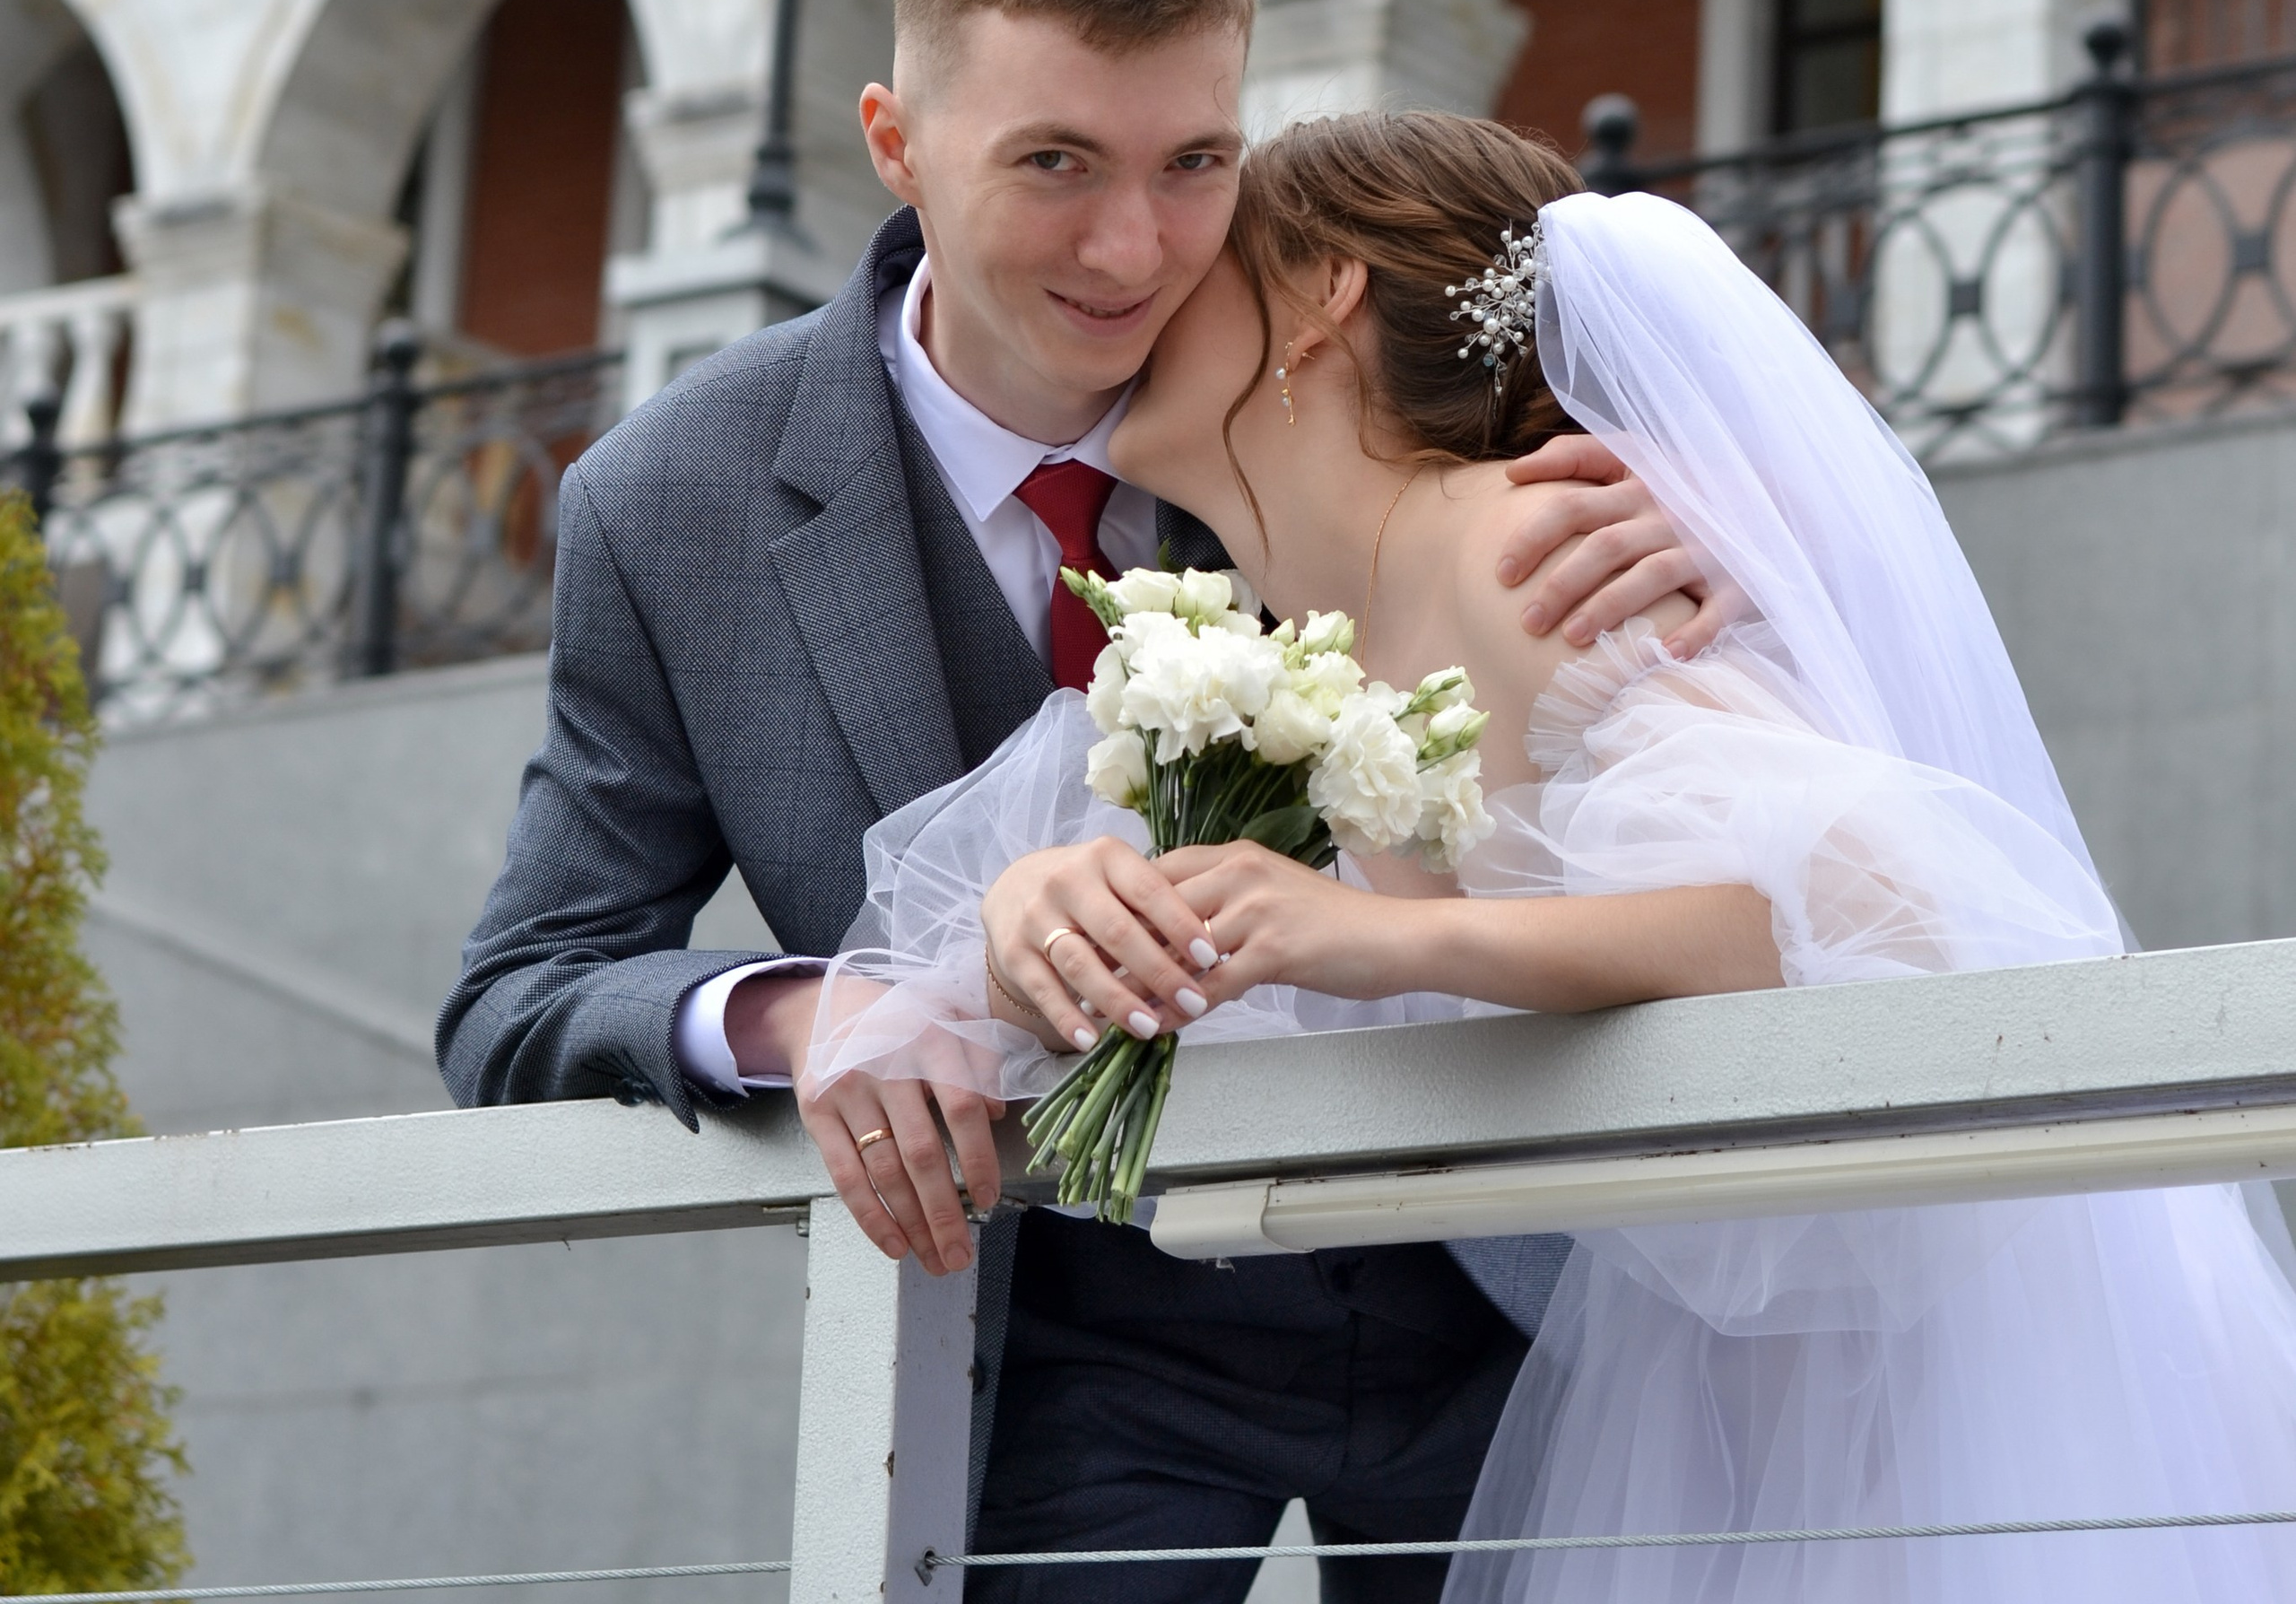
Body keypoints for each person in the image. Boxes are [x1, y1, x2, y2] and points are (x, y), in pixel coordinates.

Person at [439, 0, 1726, 1604]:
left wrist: (1702, 554)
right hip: (1063, 1359)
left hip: (1503, 1295)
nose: (1133, 249)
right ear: (893, 140)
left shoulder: (1327, 345)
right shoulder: (671, 505)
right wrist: (814, 1012)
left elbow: (1653, 653)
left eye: (1195, 161)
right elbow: (523, 982)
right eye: (1052, 162)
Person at [812, 110, 2296, 1601]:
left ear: (1323, 297)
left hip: (1893, 1427)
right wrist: (1029, 915)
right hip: (1710, 1411)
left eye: (1209, 255)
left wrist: (1381, 937)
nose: (1144, 291)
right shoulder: (1305, 632)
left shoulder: (1536, 557)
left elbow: (1877, 904)